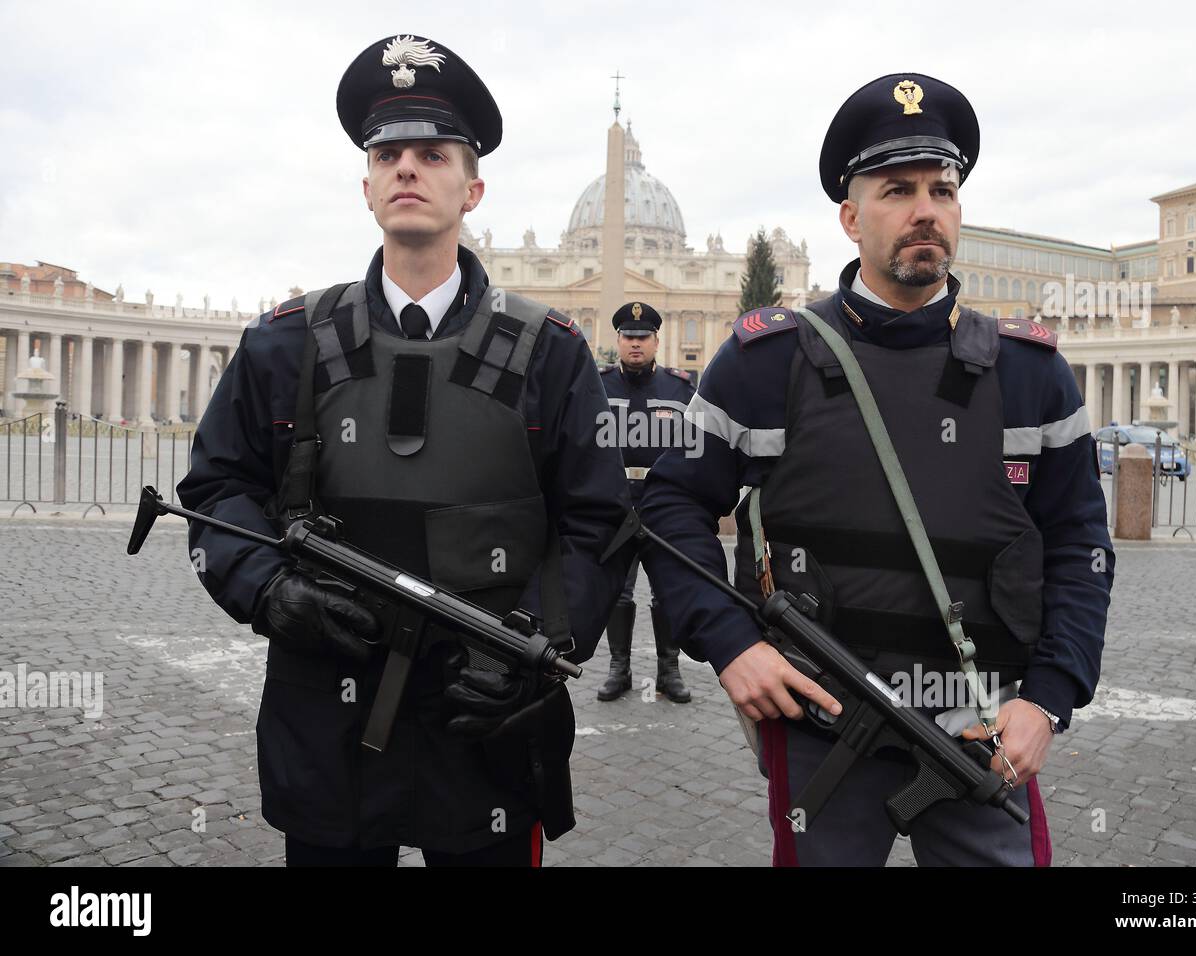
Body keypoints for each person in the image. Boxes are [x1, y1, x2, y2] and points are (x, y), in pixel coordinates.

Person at [177, 34, 630, 867]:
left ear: (474, 185)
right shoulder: (284, 344)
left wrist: (535, 643)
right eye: (388, 153)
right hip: (328, 708)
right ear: (366, 184)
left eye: (433, 152)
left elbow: (598, 523)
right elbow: (217, 489)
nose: (407, 169)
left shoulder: (552, 351)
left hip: (484, 713)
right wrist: (269, 589)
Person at [638, 73, 1113, 866]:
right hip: (825, 724)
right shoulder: (765, 362)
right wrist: (730, 644)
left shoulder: (1033, 374)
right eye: (898, 189)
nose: (926, 208)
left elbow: (1079, 545)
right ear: (851, 217)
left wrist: (1049, 700)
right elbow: (670, 510)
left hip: (984, 729)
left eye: (942, 188)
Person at [595, 302, 697, 703]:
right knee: (617, 592)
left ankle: (668, 671)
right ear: (618, 341)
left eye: (643, 338)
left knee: (666, 591)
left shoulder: (679, 388)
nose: (635, 344)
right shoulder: (597, 386)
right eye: (628, 337)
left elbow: (695, 447)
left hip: (662, 504)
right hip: (615, 506)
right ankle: (618, 668)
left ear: (657, 341)